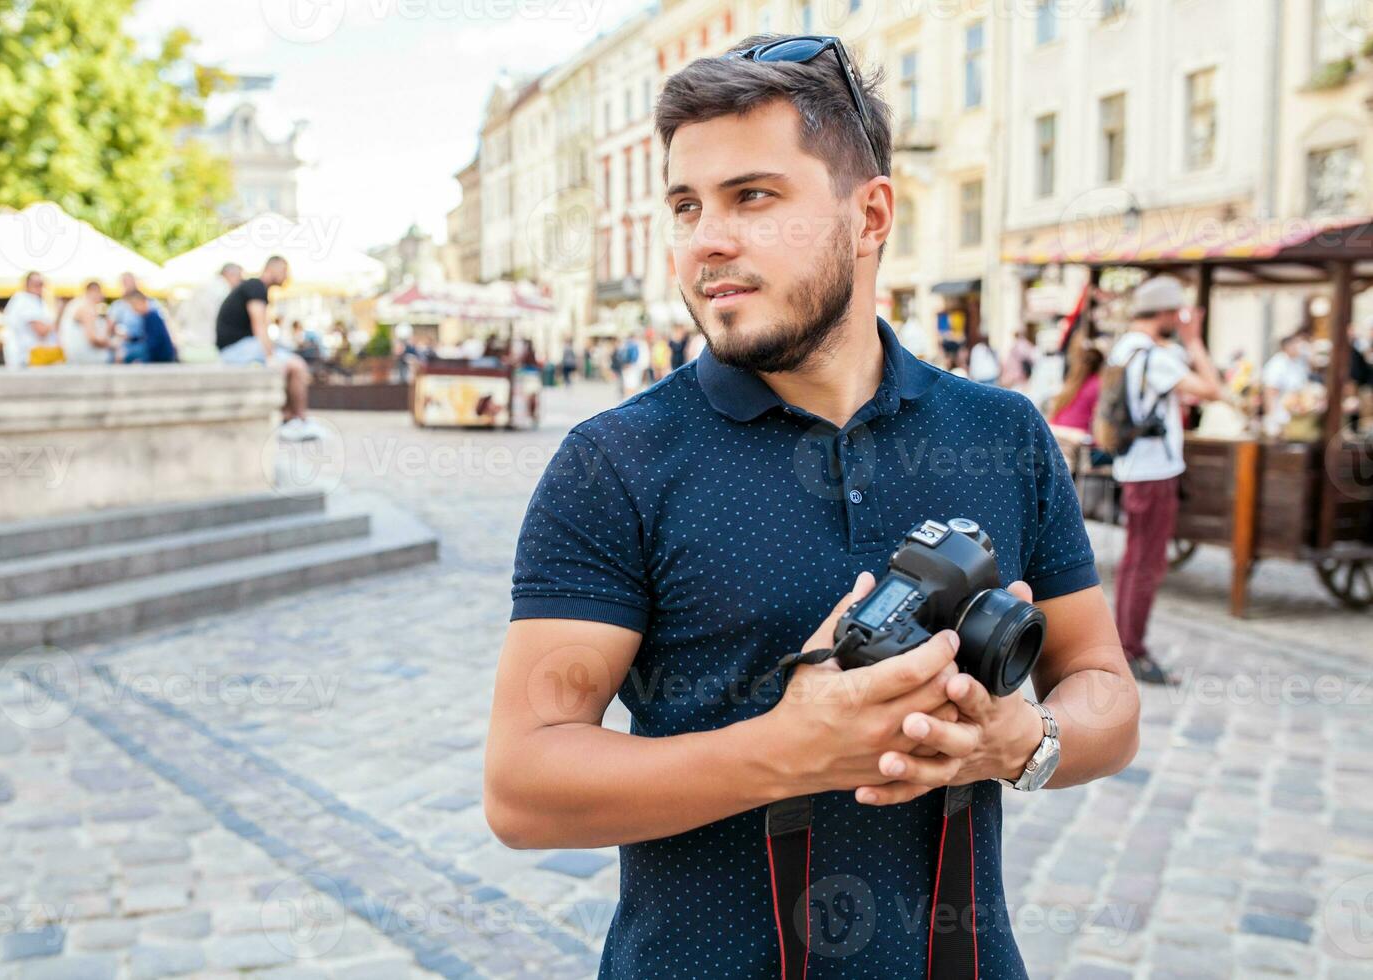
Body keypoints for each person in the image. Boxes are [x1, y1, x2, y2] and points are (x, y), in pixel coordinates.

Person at [486, 34, 1140, 980]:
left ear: (870, 213)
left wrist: (1017, 739)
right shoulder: (615, 462)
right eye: (686, 205)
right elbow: (524, 788)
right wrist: (787, 751)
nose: (708, 239)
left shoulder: (1001, 431)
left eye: (753, 196)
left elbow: (1108, 700)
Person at [1107, 275, 1224, 685]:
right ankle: (1132, 650)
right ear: (1165, 313)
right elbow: (1212, 389)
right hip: (1154, 471)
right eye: (1177, 313)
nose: (1180, 319)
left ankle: (1125, 644)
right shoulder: (1156, 357)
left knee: (1135, 559)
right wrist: (1193, 341)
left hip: (1135, 467)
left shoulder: (1127, 348)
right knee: (1146, 563)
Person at [216, 256, 321, 441]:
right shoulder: (256, 287)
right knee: (296, 366)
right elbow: (259, 326)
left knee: (289, 363)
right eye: (285, 271)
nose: (287, 277)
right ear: (274, 268)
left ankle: (289, 418)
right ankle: (297, 420)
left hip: (238, 348)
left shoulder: (251, 286)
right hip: (237, 349)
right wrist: (270, 356)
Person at [1261, 330, 1314, 435]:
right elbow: (1269, 391)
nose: (1299, 347)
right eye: (1296, 344)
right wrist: (1271, 418)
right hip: (1281, 415)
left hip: (1297, 415)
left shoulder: (1299, 362)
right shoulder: (1277, 364)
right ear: (1287, 347)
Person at [2, 271, 57, 368]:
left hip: (27, 358)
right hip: (27, 358)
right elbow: (41, 331)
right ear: (27, 284)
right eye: (36, 284)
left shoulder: (25, 300)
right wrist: (55, 320)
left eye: (41, 284)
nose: (40, 287)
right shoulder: (26, 301)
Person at [61, 281, 115, 365]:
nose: (102, 296)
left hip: (72, 356)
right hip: (86, 358)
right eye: (101, 292)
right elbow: (93, 339)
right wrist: (111, 340)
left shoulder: (75, 303)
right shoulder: (87, 307)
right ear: (94, 291)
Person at [119, 291, 178, 363]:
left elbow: (154, 344)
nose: (133, 309)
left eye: (133, 305)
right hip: (158, 356)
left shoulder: (152, 316)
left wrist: (143, 360)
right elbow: (146, 338)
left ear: (141, 302)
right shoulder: (147, 317)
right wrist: (131, 338)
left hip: (162, 358)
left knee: (127, 356)